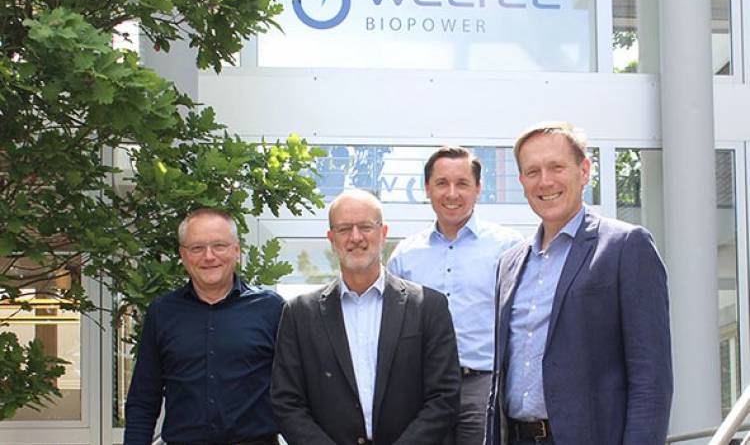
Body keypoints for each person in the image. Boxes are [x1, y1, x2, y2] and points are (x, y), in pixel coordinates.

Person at [485, 122, 673, 445]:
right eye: (532, 171)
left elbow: (651, 379)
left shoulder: (626, 247)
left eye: (556, 167)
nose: (545, 181)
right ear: (522, 181)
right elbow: (501, 379)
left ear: (584, 171)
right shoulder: (509, 263)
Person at [271, 189, 461, 445]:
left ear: (383, 233)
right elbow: (286, 402)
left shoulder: (428, 307)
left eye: (365, 227)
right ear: (331, 239)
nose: (356, 237)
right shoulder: (299, 314)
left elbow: (444, 397)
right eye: (344, 229)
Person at [387, 146, 522, 445]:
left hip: (483, 387)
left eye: (462, 183)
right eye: (441, 183)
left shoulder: (508, 247)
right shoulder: (405, 255)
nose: (452, 193)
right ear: (427, 189)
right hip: (423, 392)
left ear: (478, 189)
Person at [124, 208, 283, 445]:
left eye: (219, 246)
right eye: (197, 248)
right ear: (183, 255)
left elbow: (297, 393)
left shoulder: (271, 309)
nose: (209, 256)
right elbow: (143, 399)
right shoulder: (162, 313)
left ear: (236, 250)